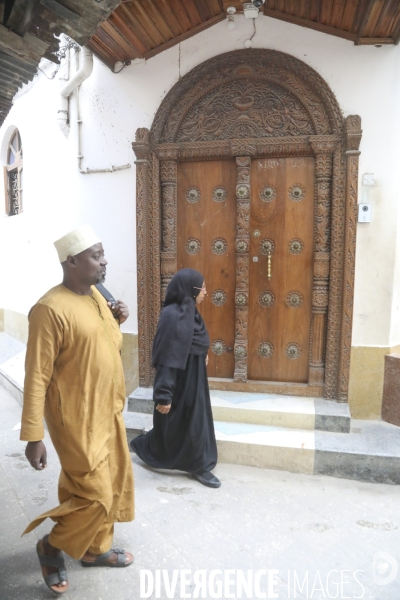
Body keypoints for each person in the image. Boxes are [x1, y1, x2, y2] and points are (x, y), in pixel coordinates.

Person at [20, 225, 134, 596]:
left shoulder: (99, 297)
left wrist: (117, 319)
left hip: (109, 410)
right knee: (96, 494)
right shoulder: (49, 309)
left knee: (109, 483)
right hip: (76, 420)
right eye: (96, 255)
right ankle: (51, 547)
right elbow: (36, 376)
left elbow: (96, 342)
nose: (104, 261)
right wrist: (34, 435)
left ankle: (94, 550)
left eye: (102, 254)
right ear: (71, 262)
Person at [130, 268, 220, 489]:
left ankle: (198, 463)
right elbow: (166, 357)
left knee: (195, 422)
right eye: (203, 288)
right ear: (190, 290)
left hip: (194, 380)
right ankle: (153, 450)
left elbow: (193, 339)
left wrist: (202, 353)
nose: (206, 292)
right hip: (177, 383)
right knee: (174, 426)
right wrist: (163, 395)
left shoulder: (192, 313)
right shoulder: (171, 316)